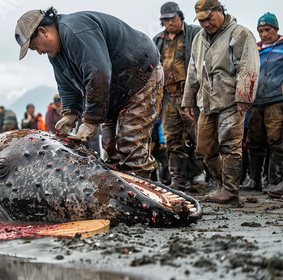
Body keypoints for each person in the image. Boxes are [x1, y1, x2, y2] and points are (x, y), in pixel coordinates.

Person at [15, 8, 164, 178]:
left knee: (130, 146)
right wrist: (70, 114)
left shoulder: (75, 32)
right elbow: (67, 86)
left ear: (43, 31)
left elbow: (98, 74)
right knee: (110, 146)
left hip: (140, 75)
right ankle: (120, 190)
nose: (40, 52)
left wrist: (91, 121)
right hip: (114, 93)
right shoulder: (55, 55)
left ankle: (142, 198)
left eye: (36, 47)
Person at [182, 0, 259, 204]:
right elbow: (193, 70)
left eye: (209, 18)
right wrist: (189, 99)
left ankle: (231, 191)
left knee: (230, 146)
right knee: (205, 149)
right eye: (201, 20)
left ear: (220, 11)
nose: (206, 23)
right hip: (206, 102)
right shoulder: (199, 39)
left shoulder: (240, 33)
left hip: (231, 99)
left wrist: (244, 96)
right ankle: (222, 185)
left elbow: (249, 65)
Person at [153, 2, 202, 191]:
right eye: (165, 19)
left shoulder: (194, 33)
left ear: (180, 16)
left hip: (190, 95)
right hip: (168, 96)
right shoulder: (157, 40)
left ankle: (216, 179)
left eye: (172, 17)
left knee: (201, 139)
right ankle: (178, 181)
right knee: (172, 140)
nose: (169, 22)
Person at [246, 13, 283, 196]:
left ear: (276, 29)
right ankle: (254, 180)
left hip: (277, 100)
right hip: (256, 101)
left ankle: (274, 181)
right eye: (260, 30)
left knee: (276, 141)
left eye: (267, 29)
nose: (263, 34)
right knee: (253, 141)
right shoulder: (255, 49)